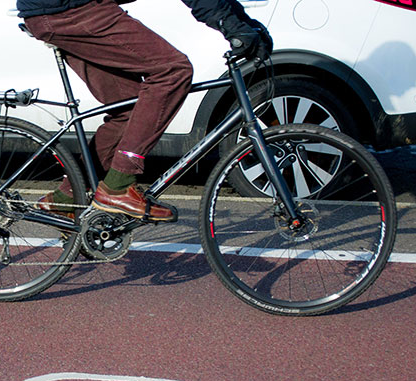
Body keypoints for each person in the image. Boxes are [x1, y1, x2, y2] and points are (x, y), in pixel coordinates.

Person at [17, 0, 272, 222]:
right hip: (69, 10)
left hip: (62, 10)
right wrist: (233, 27)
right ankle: (117, 186)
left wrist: (245, 22)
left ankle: (66, 198)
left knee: (130, 105)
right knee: (172, 70)